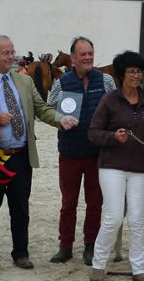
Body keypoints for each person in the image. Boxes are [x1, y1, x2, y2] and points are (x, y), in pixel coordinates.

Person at [0, 35, 77, 271]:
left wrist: (62, 120)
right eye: (6, 53)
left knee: (20, 207)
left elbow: (42, 109)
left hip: (21, 155)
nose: (12, 56)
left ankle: (21, 253)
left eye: (12, 52)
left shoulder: (25, 82)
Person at [87, 51, 144, 281]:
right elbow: (93, 132)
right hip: (112, 167)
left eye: (139, 71)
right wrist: (114, 136)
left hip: (140, 168)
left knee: (137, 219)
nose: (137, 75)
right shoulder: (110, 100)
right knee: (114, 217)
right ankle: (98, 264)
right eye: (132, 71)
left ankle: (138, 267)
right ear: (121, 75)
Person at [45, 37, 117, 265]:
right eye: (82, 54)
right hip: (69, 152)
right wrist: (60, 120)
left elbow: (116, 108)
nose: (88, 57)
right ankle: (65, 246)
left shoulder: (105, 81)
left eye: (90, 53)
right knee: (68, 203)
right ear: (73, 58)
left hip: (98, 154)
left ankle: (90, 246)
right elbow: (48, 109)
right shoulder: (61, 83)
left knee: (95, 203)